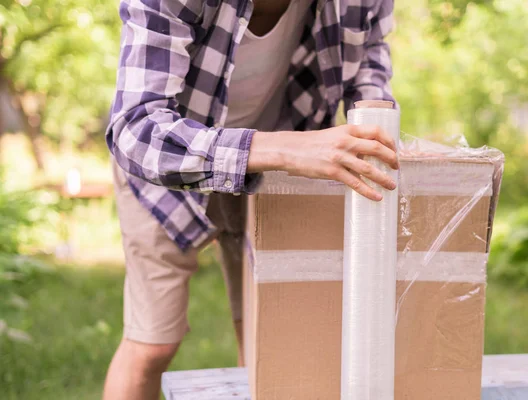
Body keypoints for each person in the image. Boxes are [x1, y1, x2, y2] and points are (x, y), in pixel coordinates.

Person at [103, 0, 397, 398]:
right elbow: (136, 131)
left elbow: (368, 61)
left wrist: (377, 131)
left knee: (267, 337)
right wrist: (285, 150)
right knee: (154, 343)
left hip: (282, 158)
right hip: (171, 159)